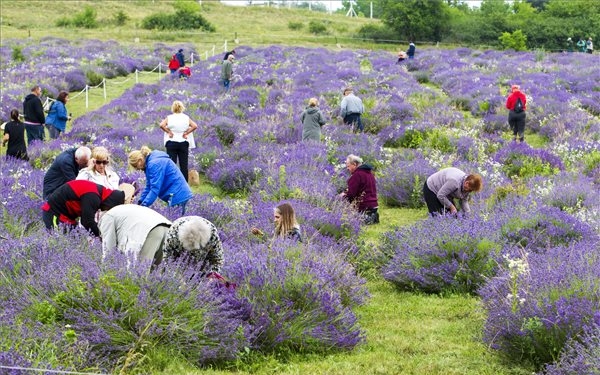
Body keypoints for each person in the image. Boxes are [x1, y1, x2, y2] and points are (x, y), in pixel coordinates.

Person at [42, 180, 134, 237]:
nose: (105, 210)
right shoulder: (93, 196)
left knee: (76, 243)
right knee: (60, 245)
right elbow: (87, 221)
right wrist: (102, 236)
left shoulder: (98, 192)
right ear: (110, 203)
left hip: (68, 218)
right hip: (54, 214)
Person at [99, 204, 171, 268]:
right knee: (158, 273)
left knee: (140, 273)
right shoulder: (119, 210)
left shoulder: (107, 217)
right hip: (168, 228)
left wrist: (104, 273)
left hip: (149, 230)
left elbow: (109, 250)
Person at [128, 146, 193, 215]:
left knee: (178, 222)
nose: (137, 169)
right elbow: (149, 186)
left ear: (140, 160)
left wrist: (143, 206)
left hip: (178, 195)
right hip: (176, 194)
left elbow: (155, 188)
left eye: (135, 166)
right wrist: (140, 202)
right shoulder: (150, 162)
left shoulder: (154, 164)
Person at [159, 100, 198, 181]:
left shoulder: (169, 117)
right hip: (183, 143)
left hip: (171, 142)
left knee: (171, 164)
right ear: (182, 108)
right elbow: (194, 126)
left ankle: (172, 183)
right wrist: (186, 133)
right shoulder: (186, 117)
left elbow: (161, 125)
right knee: (184, 165)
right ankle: (184, 185)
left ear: (173, 108)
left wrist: (169, 132)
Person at [339, 154, 379, 225]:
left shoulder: (357, 175)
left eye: (348, 166)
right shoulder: (370, 173)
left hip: (364, 206)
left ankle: (366, 217)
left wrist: (341, 198)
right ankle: (372, 216)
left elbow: (351, 195)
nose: (347, 168)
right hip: (374, 206)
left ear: (354, 164)